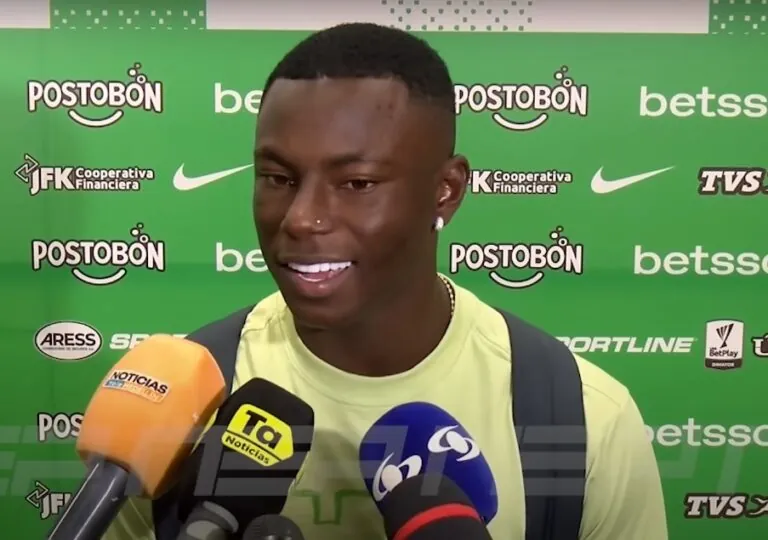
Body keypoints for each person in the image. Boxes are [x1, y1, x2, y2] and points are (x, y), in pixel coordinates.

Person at [103, 22, 667, 540]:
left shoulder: (581, 417)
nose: (300, 218)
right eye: (277, 177)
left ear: (446, 190)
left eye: (357, 183)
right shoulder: (179, 403)